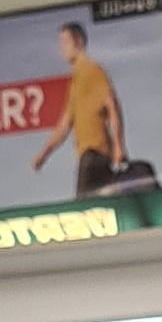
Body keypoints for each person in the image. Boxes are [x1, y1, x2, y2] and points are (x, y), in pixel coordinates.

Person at [33, 20, 123, 195]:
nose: (62, 48)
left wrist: (119, 146)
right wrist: (43, 154)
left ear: (79, 42)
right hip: (87, 157)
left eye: (65, 42)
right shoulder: (75, 82)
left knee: (84, 213)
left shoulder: (91, 69)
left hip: (96, 154)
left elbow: (112, 106)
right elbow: (64, 125)